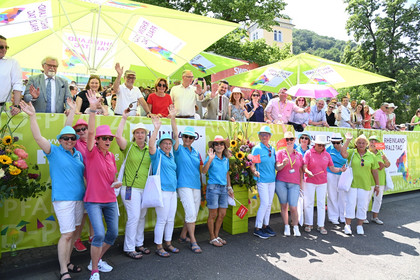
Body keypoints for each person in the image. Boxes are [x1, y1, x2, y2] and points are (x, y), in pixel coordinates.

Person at [20, 101, 85, 280]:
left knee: (75, 232)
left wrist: (71, 112)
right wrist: (32, 116)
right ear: (60, 140)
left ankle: (69, 261)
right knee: (67, 234)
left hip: (80, 198)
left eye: (73, 138)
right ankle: (63, 269)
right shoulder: (53, 151)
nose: (70, 140)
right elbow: (38, 138)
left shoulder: (78, 154)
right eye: (66, 139)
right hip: (63, 199)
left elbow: (67, 128)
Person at [84, 91, 120, 280]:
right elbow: (90, 131)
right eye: (104, 138)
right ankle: (95, 270)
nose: (107, 141)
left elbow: (108, 178)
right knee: (99, 234)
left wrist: (116, 183)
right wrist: (92, 109)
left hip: (110, 200)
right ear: (97, 140)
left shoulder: (112, 157)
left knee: (112, 234)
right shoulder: (91, 153)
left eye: (109, 138)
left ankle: (95, 260)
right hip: (94, 201)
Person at [115, 109, 152, 259]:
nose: (140, 135)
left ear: (146, 135)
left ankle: (139, 244)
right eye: (137, 132)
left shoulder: (150, 150)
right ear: (134, 135)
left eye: (142, 132)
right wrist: (123, 118)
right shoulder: (129, 146)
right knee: (134, 217)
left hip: (145, 189)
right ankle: (129, 247)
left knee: (141, 217)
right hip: (129, 188)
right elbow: (117, 136)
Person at [149, 107, 179, 257]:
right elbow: (151, 146)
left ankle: (168, 243)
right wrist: (156, 129)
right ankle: (159, 246)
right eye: (165, 143)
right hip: (162, 191)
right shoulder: (157, 155)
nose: (167, 145)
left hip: (173, 191)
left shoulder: (171, 156)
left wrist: (173, 118)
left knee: (170, 219)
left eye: (169, 143)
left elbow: (176, 138)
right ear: (160, 145)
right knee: (162, 219)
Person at [302, 135, 345, 234]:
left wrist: (340, 169)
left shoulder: (327, 154)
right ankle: (308, 223)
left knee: (321, 204)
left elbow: (332, 168)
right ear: (315, 144)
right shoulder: (308, 153)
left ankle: (321, 225)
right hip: (310, 181)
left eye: (323, 145)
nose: (321, 147)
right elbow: (304, 167)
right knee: (308, 203)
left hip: (322, 182)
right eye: (319, 145)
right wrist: (308, 172)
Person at [341, 133, 380, 235]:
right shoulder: (352, 152)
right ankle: (347, 225)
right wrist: (348, 140)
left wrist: (377, 185)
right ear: (356, 144)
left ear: (366, 144)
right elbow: (343, 153)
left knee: (362, 205)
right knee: (350, 204)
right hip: (352, 184)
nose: (361, 144)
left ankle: (359, 225)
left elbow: (375, 171)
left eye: (363, 143)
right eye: (359, 142)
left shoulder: (371, 156)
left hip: (365, 184)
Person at [174, 126, 203, 253]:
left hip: (196, 185)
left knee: (193, 214)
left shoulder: (197, 152)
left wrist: (202, 188)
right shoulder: (178, 149)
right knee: (191, 213)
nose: (188, 139)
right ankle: (193, 241)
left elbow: (200, 171)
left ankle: (182, 236)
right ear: (182, 137)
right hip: (183, 184)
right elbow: (175, 134)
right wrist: (173, 118)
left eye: (190, 137)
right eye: (185, 136)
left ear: (193, 139)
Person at [202, 135, 233, 247]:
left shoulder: (225, 159)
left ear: (224, 146)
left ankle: (216, 235)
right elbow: (204, 171)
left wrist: (229, 187)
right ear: (213, 146)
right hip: (213, 188)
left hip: (224, 188)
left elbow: (227, 173)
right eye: (216, 144)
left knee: (222, 214)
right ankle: (212, 237)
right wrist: (210, 159)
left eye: (221, 144)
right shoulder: (211, 157)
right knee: (213, 215)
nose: (219, 146)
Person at [275, 131, 304, 237]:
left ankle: (295, 226)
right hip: (281, 182)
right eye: (287, 139)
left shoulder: (299, 155)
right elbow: (277, 167)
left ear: (294, 140)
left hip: (294, 184)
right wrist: (283, 164)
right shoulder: (280, 153)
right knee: (284, 206)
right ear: (284, 141)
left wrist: (301, 183)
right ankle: (286, 226)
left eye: (291, 139)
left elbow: (301, 170)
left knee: (293, 207)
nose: (289, 141)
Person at [250, 126, 277, 239]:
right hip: (262, 180)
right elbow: (252, 165)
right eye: (262, 134)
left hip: (272, 180)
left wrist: (283, 165)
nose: (264, 136)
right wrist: (255, 172)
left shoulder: (272, 148)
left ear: (270, 136)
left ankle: (266, 226)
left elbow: (275, 165)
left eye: (266, 134)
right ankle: (257, 228)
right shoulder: (257, 149)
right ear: (259, 136)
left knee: (269, 204)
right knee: (265, 203)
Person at [367, 135, 390, 224]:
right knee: (366, 199)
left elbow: (388, 164)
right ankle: (363, 217)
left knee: (378, 199)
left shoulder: (381, 153)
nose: (373, 143)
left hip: (380, 180)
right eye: (371, 141)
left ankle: (375, 217)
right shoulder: (366, 153)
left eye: (375, 141)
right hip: (369, 180)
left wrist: (384, 162)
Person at [326, 133, 348, 225]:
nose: (335, 145)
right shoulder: (328, 148)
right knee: (332, 195)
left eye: (337, 143)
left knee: (342, 196)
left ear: (341, 142)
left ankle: (342, 216)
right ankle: (333, 217)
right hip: (331, 173)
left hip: (343, 174)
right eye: (333, 142)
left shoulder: (345, 149)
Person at [0, 35, 23, 115]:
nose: (4, 49)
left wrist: (16, 106)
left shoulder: (12, 62)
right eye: (1, 47)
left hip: (4, 108)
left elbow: (17, 84)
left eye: (6, 47)